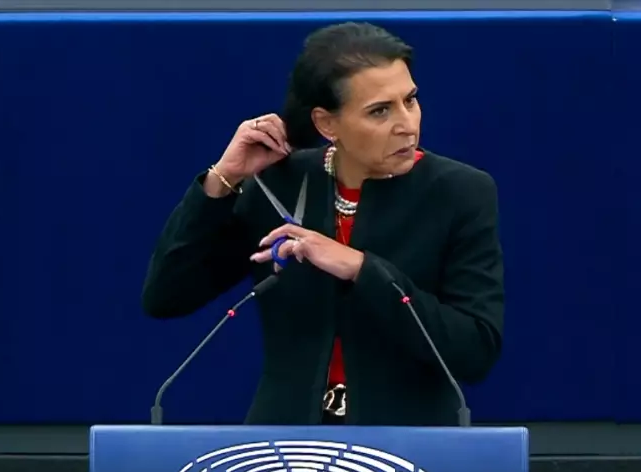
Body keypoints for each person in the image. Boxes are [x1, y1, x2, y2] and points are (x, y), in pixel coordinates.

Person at [141, 22, 504, 426]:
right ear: (327, 124)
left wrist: (361, 268)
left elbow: (475, 351)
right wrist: (222, 179)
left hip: (407, 442)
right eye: (380, 111)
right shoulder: (279, 185)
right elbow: (166, 297)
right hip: (285, 439)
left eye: (410, 100)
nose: (407, 124)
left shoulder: (459, 192)